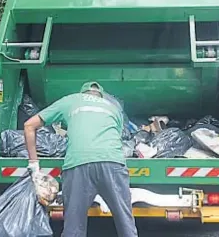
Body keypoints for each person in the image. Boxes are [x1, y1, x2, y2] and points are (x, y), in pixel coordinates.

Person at [24, 81, 138, 237]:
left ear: (83, 93)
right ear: (101, 95)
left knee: (73, 229)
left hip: (78, 164)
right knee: (126, 224)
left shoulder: (71, 100)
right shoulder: (114, 108)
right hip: (112, 162)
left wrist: (34, 165)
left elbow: (29, 125)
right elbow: (114, 137)